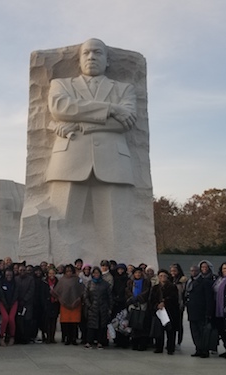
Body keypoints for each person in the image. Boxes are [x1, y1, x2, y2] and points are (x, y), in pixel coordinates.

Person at [45, 38, 138, 261]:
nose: (91, 57)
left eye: (98, 53)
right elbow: (60, 108)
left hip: (113, 162)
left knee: (116, 230)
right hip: (68, 160)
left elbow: (126, 122)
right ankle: (58, 271)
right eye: (86, 53)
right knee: (61, 224)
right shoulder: (61, 84)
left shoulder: (124, 89)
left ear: (107, 61)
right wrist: (110, 108)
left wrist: (81, 124)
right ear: (79, 60)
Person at [185, 265, 214, 358]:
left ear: (199, 271)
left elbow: (209, 298)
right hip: (192, 311)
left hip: (201, 312)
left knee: (203, 332)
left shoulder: (204, 282)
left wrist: (208, 312)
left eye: (195, 270)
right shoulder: (189, 282)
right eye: (191, 270)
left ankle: (204, 350)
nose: (193, 272)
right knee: (195, 332)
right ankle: (198, 349)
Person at [149, 269, 180, 355]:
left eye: (164, 276)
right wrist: (157, 305)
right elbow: (151, 300)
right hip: (159, 311)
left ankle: (170, 348)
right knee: (159, 331)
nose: (162, 277)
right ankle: (159, 347)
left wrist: (165, 302)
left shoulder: (172, 287)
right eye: (160, 276)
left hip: (170, 311)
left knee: (170, 331)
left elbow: (175, 299)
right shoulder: (155, 288)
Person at [52, 264, 84, 346]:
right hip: (64, 304)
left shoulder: (77, 279)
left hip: (76, 304)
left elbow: (82, 290)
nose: (69, 273)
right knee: (66, 323)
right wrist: (60, 298)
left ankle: (74, 339)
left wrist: (78, 299)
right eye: (67, 271)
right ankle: (67, 338)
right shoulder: (62, 280)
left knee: (74, 323)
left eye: (70, 271)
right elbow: (57, 291)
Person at [83, 267, 112, 349]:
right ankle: (89, 342)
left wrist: (109, 308)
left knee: (101, 326)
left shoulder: (105, 284)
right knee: (91, 326)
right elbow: (85, 296)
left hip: (102, 308)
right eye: (94, 273)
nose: (96, 275)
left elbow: (109, 297)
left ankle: (100, 342)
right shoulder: (89, 283)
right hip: (92, 308)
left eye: (97, 273)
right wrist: (89, 305)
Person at [125, 267, 151, 351]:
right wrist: (132, 298)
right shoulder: (130, 282)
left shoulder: (146, 282)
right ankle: (134, 343)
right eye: (136, 273)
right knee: (134, 324)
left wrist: (139, 298)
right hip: (133, 305)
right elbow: (127, 291)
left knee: (142, 324)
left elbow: (147, 291)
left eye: (139, 273)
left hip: (142, 304)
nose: (138, 274)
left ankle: (142, 344)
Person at [14, 264, 35, 344]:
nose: (22, 272)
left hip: (27, 303)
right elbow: (15, 290)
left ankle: (26, 338)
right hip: (17, 303)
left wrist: (24, 299)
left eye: (23, 270)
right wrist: (18, 300)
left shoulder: (30, 279)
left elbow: (31, 290)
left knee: (27, 321)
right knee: (18, 321)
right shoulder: (16, 279)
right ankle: (18, 338)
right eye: (20, 270)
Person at [0, 269, 18, 346]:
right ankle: (1, 337)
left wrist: (11, 303)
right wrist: (5, 304)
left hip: (13, 303)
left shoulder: (15, 283)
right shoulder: (1, 283)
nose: (8, 276)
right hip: (3, 303)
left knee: (11, 319)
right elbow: (1, 294)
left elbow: (16, 293)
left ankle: (12, 337)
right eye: (7, 275)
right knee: (5, 318)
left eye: (10, 275)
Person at [170, 263, 187, 347]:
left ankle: (179, 341)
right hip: (171, 304)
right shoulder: (171, 279)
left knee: (179, 324)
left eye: (174, 270)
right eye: (171, 270)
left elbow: (183, 292)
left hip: (179, 304)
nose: (172, 272)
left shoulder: (182, 279)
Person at [42, 268, 60, 344]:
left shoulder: (58, 282)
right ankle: (48, 337)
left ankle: (52, 337)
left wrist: (57, 298)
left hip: (55, 304)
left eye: (53, 273)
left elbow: (60, 291)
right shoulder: (44, 282)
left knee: (54, 321)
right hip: (47, 303)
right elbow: (42, 293)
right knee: (47, 322)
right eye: (50, 273)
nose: (51, 275)